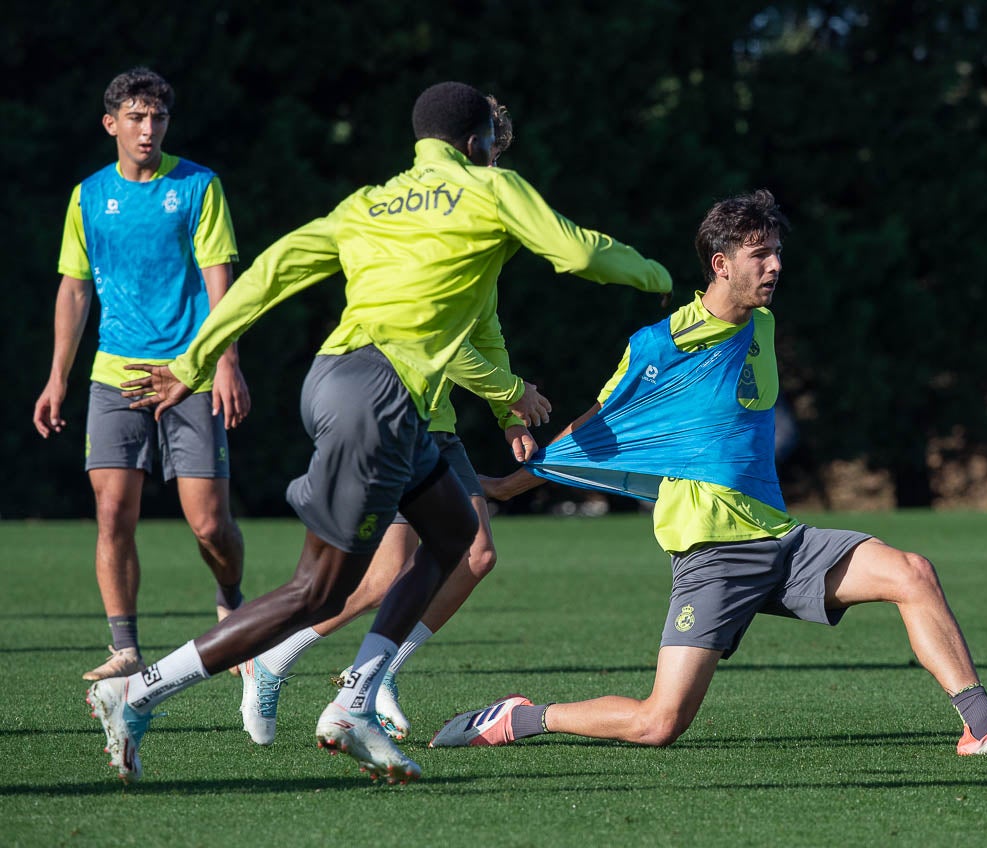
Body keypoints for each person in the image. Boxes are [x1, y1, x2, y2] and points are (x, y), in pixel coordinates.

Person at [84, 81, 671, 784]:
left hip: (345, 382)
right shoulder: (492, 187)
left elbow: (269, 272)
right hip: (381, 398)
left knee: (456, 536)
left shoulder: (368, 202)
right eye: (492, 141)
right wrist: (654, 275)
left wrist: (194, 361)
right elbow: (578, 254)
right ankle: (139, 691)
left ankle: (355, 701)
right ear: (478, 141)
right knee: (317, 592)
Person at [432, 190, 987, 757]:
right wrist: (510, 485)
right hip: (712, 555)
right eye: (759, 254)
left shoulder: (762, 325)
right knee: (659, 724)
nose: (775, 266)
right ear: (721, 264)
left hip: (781, 541)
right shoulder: (660, 345)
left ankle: (984, 728)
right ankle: (521, 717)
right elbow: (601, 430)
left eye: (777, 253)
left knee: (912, 572)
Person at [236, 96, 651, 745]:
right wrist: (513, 392)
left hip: (433, 418)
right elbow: (441, 341)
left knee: (467, 556)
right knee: (394, 572)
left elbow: (482, 328)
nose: (496, 166)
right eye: (491, 152)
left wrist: (507, 414)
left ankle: (359, 678)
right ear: (472, 146)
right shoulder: (448, 214)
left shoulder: (482, 220)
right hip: (397, 411)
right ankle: (292, 665)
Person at [32, 67, 249, 682]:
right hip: (115, 375)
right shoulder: (88, 196)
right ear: (111, 124)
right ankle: (126, 648)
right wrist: (57, 377)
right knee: (112, 513)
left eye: (157, 117)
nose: (147, 128)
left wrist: (226, 362)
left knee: (210, 525)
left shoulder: (199, 185)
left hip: (189, 374)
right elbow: (75, 290)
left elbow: (220, 281)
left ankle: (230, 599)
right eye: (135, 117)